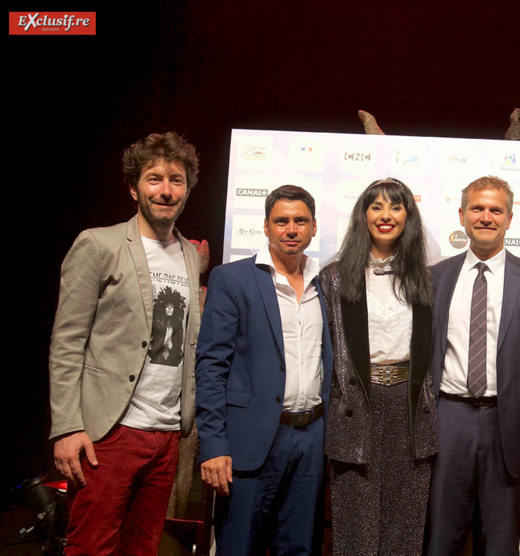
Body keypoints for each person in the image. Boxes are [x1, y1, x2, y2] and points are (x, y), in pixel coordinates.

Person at [49, 132, 201, 555]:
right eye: (154, 179)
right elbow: (66, 342)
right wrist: (67, 426)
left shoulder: (189, 253)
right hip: (110, 431)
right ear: (133, 187)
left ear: (188, 189)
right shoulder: (99, 244)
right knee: (91, 547)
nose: (165, 190)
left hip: (167, 432)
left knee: (143, 548)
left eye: (176, 179)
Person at [196, 185, 333, 555]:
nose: (291, 229)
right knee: (239, 546)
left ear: (314, 227)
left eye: (300, 221)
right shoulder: (233, 279)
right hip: (250, 440)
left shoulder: (328, 283)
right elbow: (210, 366)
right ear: (266, 227)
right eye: (282, 221)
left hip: (311, 438)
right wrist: (213, 443)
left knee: (299, 548)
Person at [428, 176, 520, 556]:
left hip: (508, 426)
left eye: (495, 210)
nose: (486, 217)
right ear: (462, 215)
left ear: (509, 218)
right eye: (477, 208)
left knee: (502, 542)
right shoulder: (436, 277)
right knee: (442, 535)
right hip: (448, 417)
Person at [320, 177, 437, 556]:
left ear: (408, 216)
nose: (386, 215)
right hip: (356, 409)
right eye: (376, 207)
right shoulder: (334, 277)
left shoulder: (426, 278)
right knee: (357, 523)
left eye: (396, 207)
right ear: (363, 215)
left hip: (409, 408)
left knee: (406, 522)